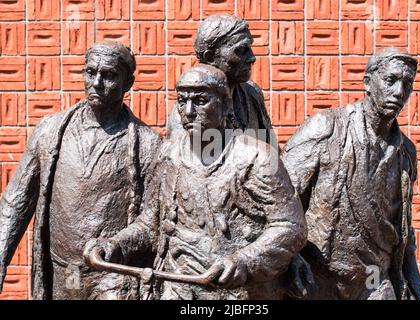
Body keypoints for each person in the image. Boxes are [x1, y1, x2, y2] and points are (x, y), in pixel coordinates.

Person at [85, 64, 306, 299]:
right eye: (182, 101)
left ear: (226, 105)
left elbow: (291, 227)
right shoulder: (168, 155)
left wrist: (244, 261)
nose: (188, 111)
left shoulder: (256, 157)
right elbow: (151, 223)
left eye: (200, 100)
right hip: (178, 287)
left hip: (238, 294)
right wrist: (116, 244)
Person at [0, 41, 162, 299]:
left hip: (114, 277)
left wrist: (118, 245)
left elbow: (154, 219)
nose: (96, 83)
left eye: (108, 75)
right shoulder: (50, 131)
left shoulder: (149, 145)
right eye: (90, 72)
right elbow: (16, 200)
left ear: (128, 83)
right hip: (67, 271)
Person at [282, 48, 420, 300]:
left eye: (407, 84)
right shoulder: (326, 128)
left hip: (375, 282)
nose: (399, 92)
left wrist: (418, 291)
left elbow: (404, 231)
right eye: (391, 80)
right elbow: (281, 199)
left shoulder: (406, 154)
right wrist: (289, 257)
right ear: (368, 83)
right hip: (320, 279)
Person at [167, 14, 275, 146]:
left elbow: (273, 151)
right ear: (211, 57)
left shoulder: (252, 93)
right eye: (241, 50)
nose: (252, 58)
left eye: (249, 48)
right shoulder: (189, 111)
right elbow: (182, 162)